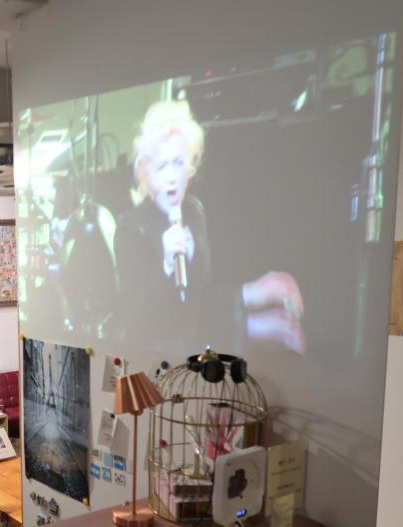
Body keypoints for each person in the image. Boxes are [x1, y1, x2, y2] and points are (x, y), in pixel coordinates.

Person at [116, 99, 305, 354]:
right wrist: (166, 266)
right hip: (154, 360)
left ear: (191, 166)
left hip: (196, 350)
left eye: (179, 162)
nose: (172, 176)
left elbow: (201, 295)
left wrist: (253, 300)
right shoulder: (130, 228)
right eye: (162, 166)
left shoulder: (194, 212)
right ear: (147, 173)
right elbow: (137, 320)